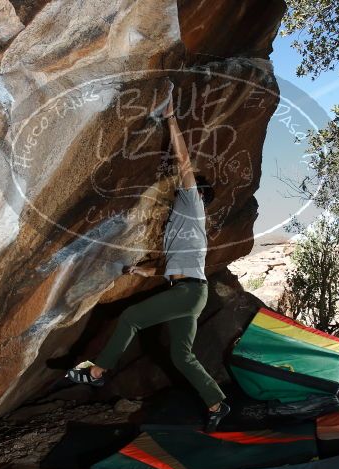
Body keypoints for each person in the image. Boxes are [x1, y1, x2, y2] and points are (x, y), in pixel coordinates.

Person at [65, 89, 229, 432]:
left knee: (131, 318)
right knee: (182, 356)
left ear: (197, 192)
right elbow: (176, 266)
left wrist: (170, 118)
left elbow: (184, 160)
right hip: (191, 292)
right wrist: (144, 269)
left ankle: (98, 371)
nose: (181, 184)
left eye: (189, 184)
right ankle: (216, 402)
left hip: (188, 294)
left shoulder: (192, 204)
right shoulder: (185, 223)